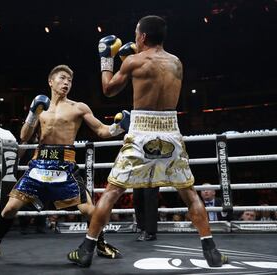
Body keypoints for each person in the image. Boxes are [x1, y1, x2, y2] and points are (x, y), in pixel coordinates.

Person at [68, 15, 228, 268]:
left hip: (141, 129)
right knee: (189, 193)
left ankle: (87, 248)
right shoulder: (177, 62)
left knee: (111, 192)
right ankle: (211, 249)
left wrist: (107, 58)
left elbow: (108, 89)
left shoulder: (134, 61)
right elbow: (155, 82)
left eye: (135, 34)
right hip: (171, 130)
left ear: (142, 36)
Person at [0, 64, 128, 261]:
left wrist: (119, 127)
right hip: (39, 165)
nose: (66, 83)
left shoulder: (78, 107)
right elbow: (24, 136)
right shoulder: (41, 108)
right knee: (9, 209)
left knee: (90, 210)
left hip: (65, 166)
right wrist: (33, 113)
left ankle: (101, 244)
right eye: (62, 78)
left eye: (70, 81)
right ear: (50, 81)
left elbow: (102, 131)